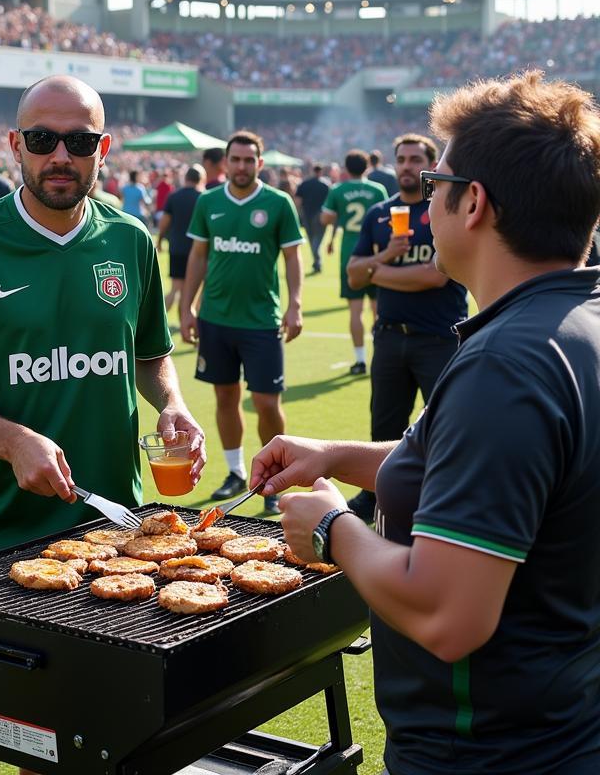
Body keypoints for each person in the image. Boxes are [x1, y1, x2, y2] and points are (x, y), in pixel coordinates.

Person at [254, 71, 600, 775]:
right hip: (558, 723)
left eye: (437, 179)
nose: (425, 198)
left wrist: (330, 528)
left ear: (472, 202)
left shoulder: (508, 365)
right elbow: (487, 477)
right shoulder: (571, 324)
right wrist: (335, 454)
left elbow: (448, 616)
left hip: (488, 751)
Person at [0, 76, 203, 775]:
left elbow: (151, 356)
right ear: (16, 146)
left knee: (82, 727)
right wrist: (11, 440)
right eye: (42, 140)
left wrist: (173, 404)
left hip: (110, 529)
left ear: (103, 147)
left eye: (78, 140)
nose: (60, 156)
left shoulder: (129, 241)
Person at [343, 134, 467, 521]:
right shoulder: (380, 212)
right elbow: (353, 275)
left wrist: (377, 271)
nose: (407, 166)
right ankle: (373, 492)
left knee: (448, 426)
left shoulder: (443, 209)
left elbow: (434, 277)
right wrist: (386, 258)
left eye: (416, 159)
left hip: (438, 338)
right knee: (384, 424)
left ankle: (446, 497)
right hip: (391, 335)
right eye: (402, 159)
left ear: (430, 166)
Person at [180, 130, 303, 511]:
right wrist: (187, 307)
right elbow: (199, 255)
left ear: (259, 164)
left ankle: (274, 479)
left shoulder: (279, 203)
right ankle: (234, 470)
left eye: (250, 160)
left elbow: (293, 258)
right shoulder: (209, 201)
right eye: (236, 159)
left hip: (261, 320)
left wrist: (295, 303)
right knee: (225, 396)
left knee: (267, 402)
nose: (242, 166)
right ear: (225, 163)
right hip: (216, 318)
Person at [320, 150, 388, 375]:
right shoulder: (377, 190)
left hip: (351, 254)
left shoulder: (338, 190)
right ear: (367, 166)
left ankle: (360, 360)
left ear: (346, 169)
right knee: (378, 310)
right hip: (376, 253)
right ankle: (382, 356)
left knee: (355, 310)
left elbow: (325, 219)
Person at [158, 164, 204, 317]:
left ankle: (158, 321)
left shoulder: (174, 196)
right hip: (198, 251)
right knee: (193, 292)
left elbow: (164, 222)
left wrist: (159, 241)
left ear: (186, 178)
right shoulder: (204, 197)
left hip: (177, 248)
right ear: (200, 179)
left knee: (175, 289)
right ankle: (188, 321)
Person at [295, 163, 332, 273]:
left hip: (307, 215)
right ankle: (317, 262)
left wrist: (299, 214)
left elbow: (298, 201)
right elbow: (330, 202)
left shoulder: (305, 183)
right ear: (321, 172)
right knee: (317, 239)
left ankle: (317, 262)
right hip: (320, 215)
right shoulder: (326, 185)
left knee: (312, 239)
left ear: (312, 171)